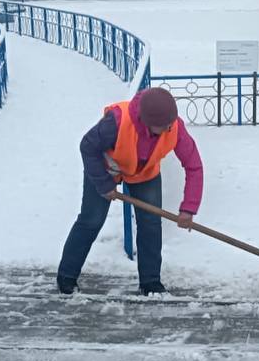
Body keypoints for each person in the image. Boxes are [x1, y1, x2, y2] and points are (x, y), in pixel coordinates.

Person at [57, 87, 203, 295]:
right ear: (146, 121)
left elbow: (194, 165)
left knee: (150, 223)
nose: (169, 128)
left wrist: (189, 208)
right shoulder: (117, 121)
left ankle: (150, 282)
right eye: (163, 126)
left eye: (171, 123)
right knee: (91, 220)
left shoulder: (175, 128)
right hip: (104, 168)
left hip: (145, 173)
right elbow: (87, 146)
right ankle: (66, 277)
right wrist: (103, 184)